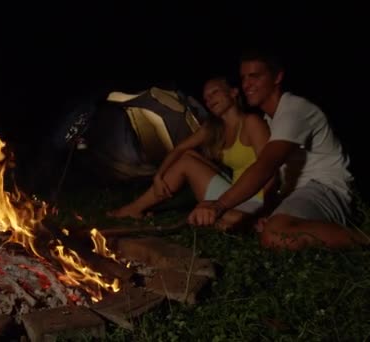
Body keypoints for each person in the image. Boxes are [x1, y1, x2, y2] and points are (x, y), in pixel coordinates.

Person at [187, 49, 368, 250]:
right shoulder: (269, 120)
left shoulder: (294, 110)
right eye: (243, 78)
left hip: (325, 188)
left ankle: (362, 240)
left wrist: (218, 205)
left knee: (275, 235)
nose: (246, 84)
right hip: (294, 193)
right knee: (236, 225)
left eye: (254, 76)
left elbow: (266, 166)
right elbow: (277, 178)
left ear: (277, 77)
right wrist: (267, 209)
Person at [107, 76, 276, 230]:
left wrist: (263, 210)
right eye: (206, 98)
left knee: (231, 220)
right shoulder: (213, 128)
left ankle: (243, 221)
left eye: (215, 93)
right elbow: (179, 149)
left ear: (233, 92)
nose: (209, 100)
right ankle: (135, 209)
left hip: (256, 199)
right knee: (187, 158)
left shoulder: (251, 122)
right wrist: (158, 177)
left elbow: (270, 170)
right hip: (232, 195)